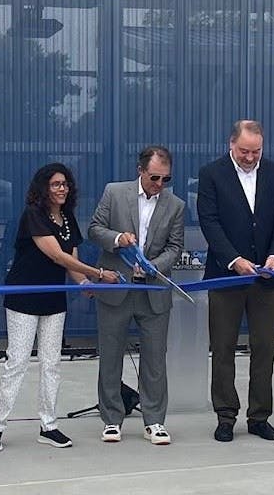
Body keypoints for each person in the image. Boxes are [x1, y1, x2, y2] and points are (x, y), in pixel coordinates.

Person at [0, 163, 119, 452]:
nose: (62, 189)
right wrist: (98, 274)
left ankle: (48, 425)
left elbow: (73, 256)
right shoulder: (33, 216)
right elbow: (57, 256)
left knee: (52, 363)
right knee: (17, 362)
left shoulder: (68, 217)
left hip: (55, 299)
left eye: (65, 184)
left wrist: (85, 284)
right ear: (44, 187)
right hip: (24, 296)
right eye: (56, 184)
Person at [197, 119, 274, 442]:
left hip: (266, 279)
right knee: (223, 348)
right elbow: (209, 222)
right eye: (244, 151)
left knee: (265, 348)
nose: (251, 158)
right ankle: (225, 415)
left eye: (256, 151)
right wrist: (234, 260)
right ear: (231, 144)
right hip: (226, 277)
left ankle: (259, 415)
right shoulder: (212, 174)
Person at [88, 146, 186, 446]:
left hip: (153, 290)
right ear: (140, 171)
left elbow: (175, 247)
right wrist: (118, 239)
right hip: (116, 286)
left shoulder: (176, 205)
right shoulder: (115, 193)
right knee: (111, 355)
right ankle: (112, 419)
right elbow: (94, 229)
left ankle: (154, 421)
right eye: (154, 177)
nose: (159, 184)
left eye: (166, 179)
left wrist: (152, 267)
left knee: (155, 359)